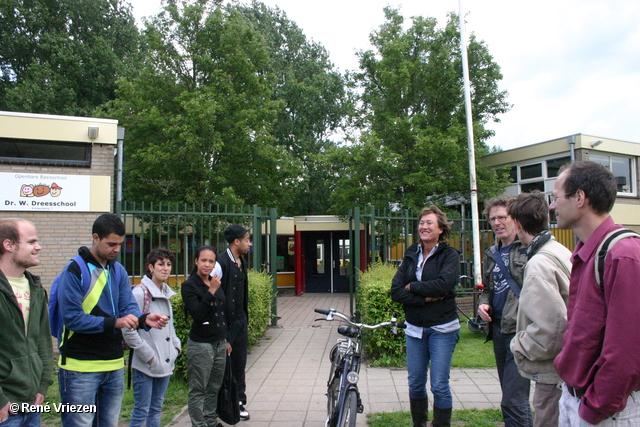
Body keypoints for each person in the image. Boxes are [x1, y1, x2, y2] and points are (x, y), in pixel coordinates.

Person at [55, 213, 168, 427]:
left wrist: (144, 318)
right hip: (80, 368)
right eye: (111, 244)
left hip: (114, 365)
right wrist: (114, 323)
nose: (116, 250)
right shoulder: (74, 270)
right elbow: (71, 318)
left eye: (119, 244)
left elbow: (128, 307)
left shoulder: (117, 270)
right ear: (95, 238)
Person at [551, 161, 640, 425]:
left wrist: (593, 409)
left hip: (606, 411)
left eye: (555, 197)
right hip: (574, 399)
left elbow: (626, 351)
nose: (552, 206)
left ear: (579, 198)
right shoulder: (587, 252)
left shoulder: (623, 256)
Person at [390, 206, 460, 427]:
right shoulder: (411, 253)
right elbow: (396, 290)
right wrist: (424, 298)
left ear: (440, 229)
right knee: (415, 384)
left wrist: (413, 286)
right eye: (421, 223)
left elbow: (443, 284)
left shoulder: (449, 255)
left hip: (442, 328)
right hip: (414, 329)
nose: (424, 227)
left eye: (429, 223)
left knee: (439, 384)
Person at [507, 192, 571, 427]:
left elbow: (550, 333)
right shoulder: (560, 250)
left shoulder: (538, 264)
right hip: (565, 371)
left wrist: (518, 344)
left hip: (552, 375)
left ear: (518, 224)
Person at [478, 197, 532, 427]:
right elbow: (488, 289)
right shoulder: (492, 253)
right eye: (492, 219)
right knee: (510, 396)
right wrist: (483, 303)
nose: (497, 223)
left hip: (521, 332)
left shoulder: (529, 249)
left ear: (515, 219)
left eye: (502, 217)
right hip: (498, 330)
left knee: (513, 399)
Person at [0, 218, 53, 427]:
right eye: (31, 242)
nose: (38, 247)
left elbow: (43, 342)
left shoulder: (36, 289)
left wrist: (43, 386)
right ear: (9, 245)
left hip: (32, 406)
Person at [123, 248, 181, 427]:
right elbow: (128, 329)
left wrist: (176, 348)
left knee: (156, 409)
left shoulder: (166, 292)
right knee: (141, 411)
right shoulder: (140, 293)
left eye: (169, 264)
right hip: (145, 364)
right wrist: (147, 355)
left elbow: (170, 328)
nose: (165, 268)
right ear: (150, 267)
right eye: (160, 264)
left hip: (165, 360)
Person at [181, 246, 226, 427]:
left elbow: (222, 313)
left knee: (214, 386)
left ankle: (210, 420)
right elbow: (198, 314)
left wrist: (226, 339)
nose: (207, 265)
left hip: (219, 341)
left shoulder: (215, 282)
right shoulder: (189, 286)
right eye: (204, 261)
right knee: (198, 388)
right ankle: (198, 424)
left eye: (211, 261)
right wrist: (211, 291)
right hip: (201, 343)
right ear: (196, 262)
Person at [218, 224, 252, 421]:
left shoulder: (242, 262)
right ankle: (226, 403)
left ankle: (239, 401)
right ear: (236, 241)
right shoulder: (221, 263)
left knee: (240, 364)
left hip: (240, 320)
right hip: (227, 323)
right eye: (247, 239)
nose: (249, 243)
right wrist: (223, 332)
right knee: (226, 365)